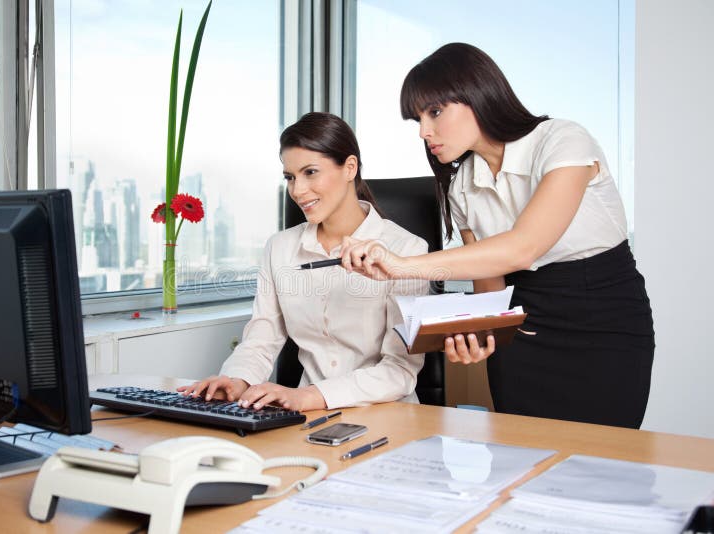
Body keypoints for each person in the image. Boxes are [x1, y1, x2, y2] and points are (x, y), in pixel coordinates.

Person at [340, 43, 654, 429]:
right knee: (522, 463)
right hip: (524, 337)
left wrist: (403, 265)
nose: (424, 131)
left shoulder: (563, 140)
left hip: (604, 325)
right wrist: (479, 333)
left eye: (435, 112)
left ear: (477, 94)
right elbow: (492, 292)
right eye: (417, 119)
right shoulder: (461, 188)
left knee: (605, 464)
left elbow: (525, 247)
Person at [177, 112, 429, 412]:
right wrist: (236, 380)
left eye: (310, 172)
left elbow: (400, 369)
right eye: (290, 177)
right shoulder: (280, 248)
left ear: (350, 168)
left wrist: (311, 396)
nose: (297, 190)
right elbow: (262, 338)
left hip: (386, 414)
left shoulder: (407, 249)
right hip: (304, 416)